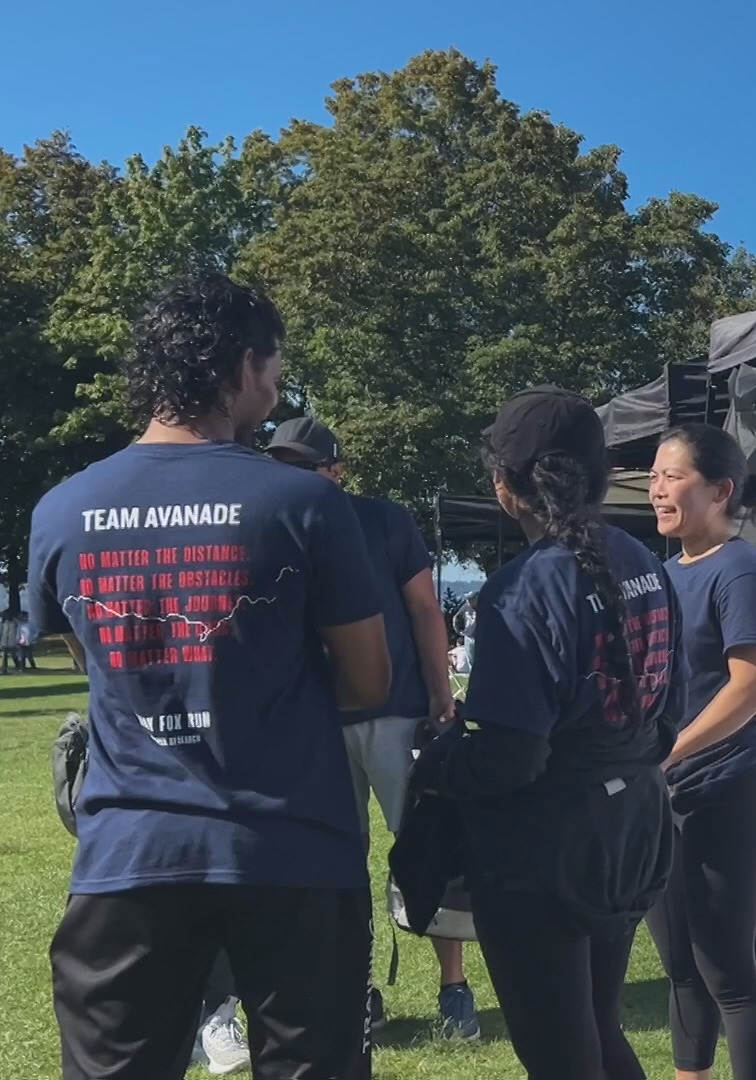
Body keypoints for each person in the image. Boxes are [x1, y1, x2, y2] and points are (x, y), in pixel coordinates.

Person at [26, 272, 390, 1079]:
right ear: (238, 366)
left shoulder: (59, 510)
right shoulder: (304, 503)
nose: (278, 382)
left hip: (131, 848)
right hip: (292, 846)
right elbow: (368, 681)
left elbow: (101, 667)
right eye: (274, 363)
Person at [410, 386, 679, 1080]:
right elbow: (668, 712)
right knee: (596, 1028)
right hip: (631, 830)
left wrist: (439, 765)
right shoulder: (647, 562)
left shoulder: (521, 590)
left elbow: (512, 757)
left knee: (562, 1056)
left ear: (505, 486)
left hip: (544, 853)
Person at [265, 416, 477, 1039]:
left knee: (427, 848)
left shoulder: (385, 520)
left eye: (304, 466)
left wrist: (441, 695)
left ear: (336, 470)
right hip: (316, 723)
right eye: (281, 464)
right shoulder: (270, 529)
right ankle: (356, 989)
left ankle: (454, 988)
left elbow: (423, 609)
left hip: (397, 712)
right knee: (336, 861)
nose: (290, 476)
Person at [647, 422, 756, 1080]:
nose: (656, 490)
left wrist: (667, 752)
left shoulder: (743, 570)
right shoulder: (664, 573)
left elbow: (751, 688)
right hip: (663, 798)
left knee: (727, 973)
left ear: (721, 490)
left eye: (672, 477)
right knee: (681, 972)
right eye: (652, 477)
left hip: (724, 795)